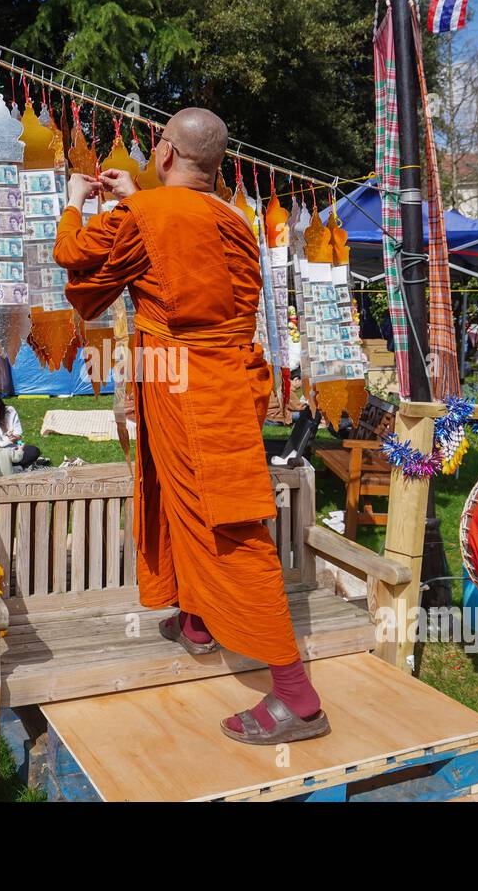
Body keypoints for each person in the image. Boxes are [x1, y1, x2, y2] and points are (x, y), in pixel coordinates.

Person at [53, 107, 327, 745]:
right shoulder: (230, 218)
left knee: (227, 523)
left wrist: (75, 202)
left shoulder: (147, 216)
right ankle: (199, 621)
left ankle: (297, 696)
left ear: (165, 153)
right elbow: (181, 250)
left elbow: (75, 255)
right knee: (177, 498)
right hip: (222, 377)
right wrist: (139, 202)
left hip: (188, 385)